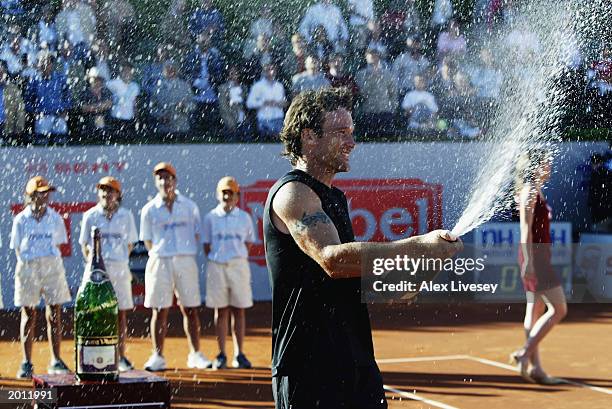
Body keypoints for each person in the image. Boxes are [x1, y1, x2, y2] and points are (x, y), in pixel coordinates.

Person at [264, 87, 462, 408]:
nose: (351, 142)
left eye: (352, 132)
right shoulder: (293, 194)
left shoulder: (335, 198)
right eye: (341, 133)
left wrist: (426, 265)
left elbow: (372, 284)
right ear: (309, 137)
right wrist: (417, 246)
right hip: (308, 370)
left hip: (355, 364)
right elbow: (333, 260)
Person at [140, 162, 210, 371]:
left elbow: (197, 234)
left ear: (175, 181)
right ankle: (158, 356)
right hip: (160, 261)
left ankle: (195, 354)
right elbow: (147, 240)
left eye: (168, 177)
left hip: (185, 261)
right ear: (156, 182)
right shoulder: (149, 210)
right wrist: (164, 252)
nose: (164, 181)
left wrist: (182, 251)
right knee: (159, 311)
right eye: (160, 178)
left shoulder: (190, 206)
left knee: (190, 309)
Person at [511, 149, 567, 385]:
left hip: (537, 256)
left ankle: (537, 369)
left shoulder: (536, 190)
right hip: (535, 257)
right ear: (534, 167)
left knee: (534, 311)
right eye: (545, 162)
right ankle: (525, 353)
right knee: (559, 309)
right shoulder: (530, 191)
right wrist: (529, 262)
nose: (549, 166)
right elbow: (525, 229)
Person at [10, 176, 72, 378]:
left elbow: (59, 244)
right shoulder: (20, 220)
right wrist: (33, 261)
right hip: (28, 267)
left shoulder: (55, 218)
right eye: (40, 193)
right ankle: (27, 363)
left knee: (54, 313)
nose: (44, 196)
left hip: (52, 266)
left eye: (46, 192)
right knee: (28, 315)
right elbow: (17, 248)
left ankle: (56, 360)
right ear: (30, 196)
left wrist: (46, 259)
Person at [79, 176, 138, 372]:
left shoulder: (127, 216)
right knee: (94, 315)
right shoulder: (90, 216)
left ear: (118, 195)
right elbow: (85, 246)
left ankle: (120, 357)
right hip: (96, 274)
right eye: (103, 190)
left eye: (111, 190)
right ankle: (92, 356)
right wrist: (95, 267)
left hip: (120, 269)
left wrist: (116, 260)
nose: (106, 194)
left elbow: (129, 244)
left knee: (120, 314)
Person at [203, 176, 255, 369]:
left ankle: (239, 354)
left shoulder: (244, 217)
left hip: (238, 266)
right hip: (217, 266)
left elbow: (248, 243)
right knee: (221, 310)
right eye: (224, 192)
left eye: (231, 193)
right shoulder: (210, 218)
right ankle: (222, 354)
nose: (227, 196)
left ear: (237, 195)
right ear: (219, 194)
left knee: (239, 310)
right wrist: (220, 257)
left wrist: (234, 256)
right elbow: (207, 246)